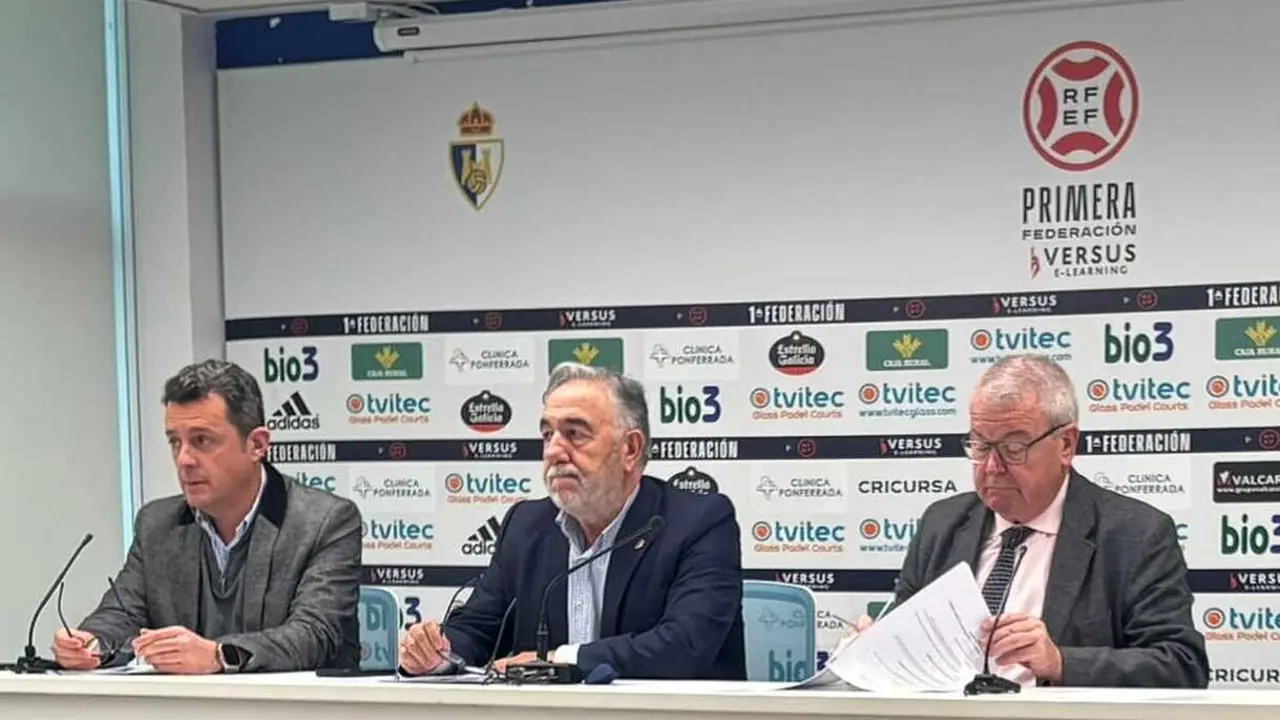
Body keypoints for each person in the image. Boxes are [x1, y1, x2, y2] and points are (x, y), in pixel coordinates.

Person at [841, 353, 1208, 688]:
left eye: (1013, 448)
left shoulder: (1135, 534)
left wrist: (1061, 662)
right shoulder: (943, 524)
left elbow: (1182, 665)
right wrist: (878, 649)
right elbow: (912, 646)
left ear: (1067, 445)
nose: (992, 467)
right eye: (981, 445)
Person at [398, 362, 746, 680]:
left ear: (630, 449)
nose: (553, 451)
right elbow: (478, 628)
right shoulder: (526, 525)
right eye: (548, 434)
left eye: (575, 434)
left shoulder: (698, 522)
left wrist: (560, 659)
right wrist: (439, 655)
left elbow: (685, 645)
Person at [52, 359, 363, 674]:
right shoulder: (158, 524)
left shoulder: (324, 522)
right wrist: (90, 644)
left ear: (257, 445)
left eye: (202, 441)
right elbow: (121, 615)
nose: (184, 459)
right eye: (175, 442)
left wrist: (219, 655)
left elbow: (314, 636)